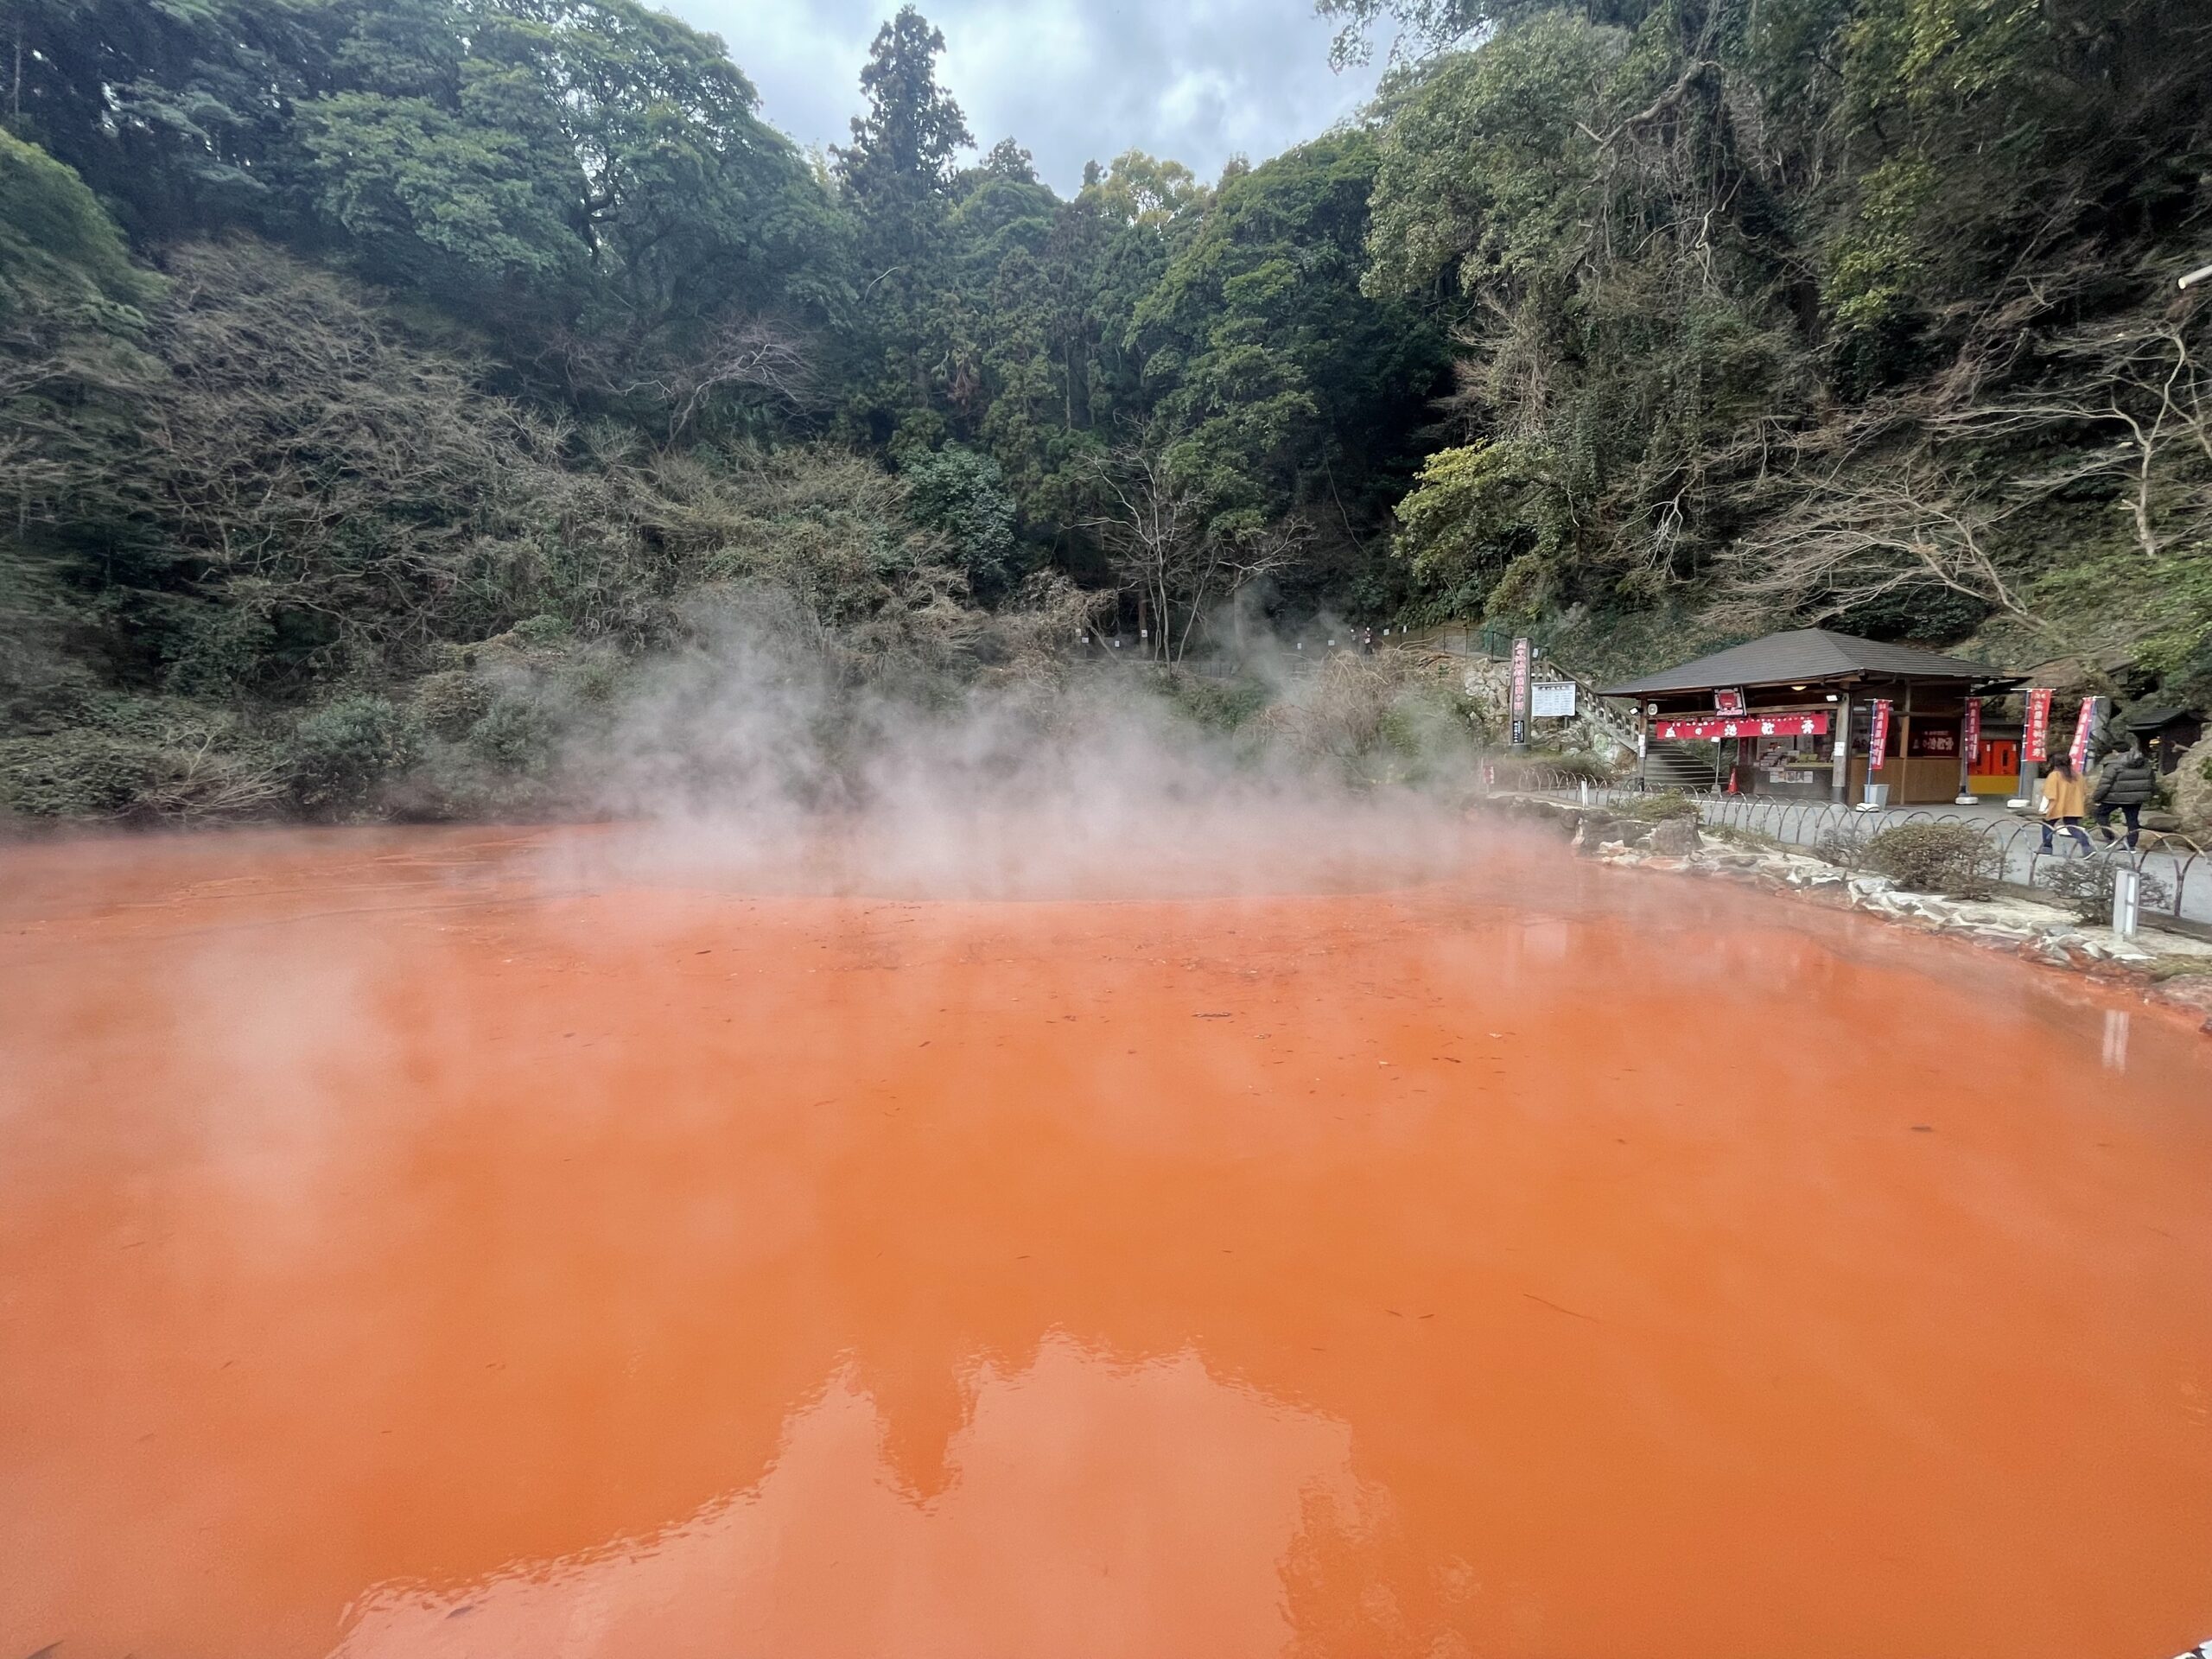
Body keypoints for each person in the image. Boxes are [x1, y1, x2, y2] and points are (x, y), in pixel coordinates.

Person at [2090, 741, 2158, 849]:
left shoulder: (2113, 764)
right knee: (2132, 821)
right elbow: (2152, 780)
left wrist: (2096, 798)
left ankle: (2110, 837)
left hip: (2115, 797)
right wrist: (2152, 794)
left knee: (2100, 813)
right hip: (2136, 797)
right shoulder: (2143, 762)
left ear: (2115, 751)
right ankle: (2131, 845)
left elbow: (2105, 784)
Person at [2038, 753, 2092, 855]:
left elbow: (2049, 793)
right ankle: (2087, 847)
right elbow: (2084, 791)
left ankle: (2047, 847)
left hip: (2057, 805)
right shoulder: (2078, 775)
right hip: (2074, 805)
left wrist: (2044, 808)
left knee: (2047, 824)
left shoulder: (2055, 775)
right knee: (2072, 827)